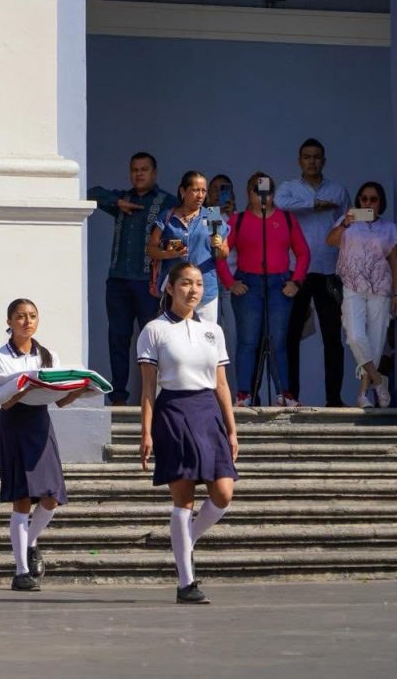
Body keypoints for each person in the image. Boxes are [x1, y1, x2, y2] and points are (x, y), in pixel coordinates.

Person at [137, 262, 238, 605]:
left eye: (198, 284)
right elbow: (148, 388)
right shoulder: (154, 330)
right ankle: (186, 582)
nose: (193, 290)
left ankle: (185, 541)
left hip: (208, 412)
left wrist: (232, 429)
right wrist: (146, 431)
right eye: (185, 283)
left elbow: (221, 384)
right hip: (173, 412)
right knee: (184, 499)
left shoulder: (213, 330)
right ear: (170, 287)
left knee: (223, 493)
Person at [0, 299, 84, 592]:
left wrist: (79, 390)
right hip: (14, 424)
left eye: (32, 316)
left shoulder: (48, 355)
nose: (27, 321)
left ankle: (29, 542)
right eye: (20, 316)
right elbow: (3, 401)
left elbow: (59, 400)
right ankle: (21, 571)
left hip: (40, 425)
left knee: (51, 497)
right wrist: (23, 387)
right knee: (21, 499)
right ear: (9, 322)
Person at [88, 152, 178, 405]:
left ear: (154, 173)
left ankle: (156, 395)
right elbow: (90, 192)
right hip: (118, 280)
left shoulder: (166, 202)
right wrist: (117, 202)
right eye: (134, 169)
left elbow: (183, 227)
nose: (138, 174)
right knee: (118, 338)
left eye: (144, 169)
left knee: (152, 339)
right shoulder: (123, 198)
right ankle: (118, 396)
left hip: (148, 282)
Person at [217, 172, 311, 407]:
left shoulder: (286, 219)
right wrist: (230, 282)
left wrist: (296, 281)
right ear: (248, 193)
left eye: (267, 191)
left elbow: (303, 253)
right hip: (248, 285)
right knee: (247, 342)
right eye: (257, 191)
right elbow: (219, 253)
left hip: (280, 285)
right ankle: (244, 394)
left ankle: (284, 393)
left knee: (278, 342)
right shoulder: (237, 220)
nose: (263, 196)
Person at [275, 138, 351, 406]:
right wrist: (315, 203)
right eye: (307, 157)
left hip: (329, 271)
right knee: (291, 336)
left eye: (316, 157)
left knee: (332, 337)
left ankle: (334, 399)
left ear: (324, 160)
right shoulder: (288, 188)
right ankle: (292, 397)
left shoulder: (338, 190)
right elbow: (279, 204)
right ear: (299, 161)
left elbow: (348, 224)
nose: (312, 161)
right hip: (297, 272)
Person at [326, 182, 397, 408]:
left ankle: (363, 395)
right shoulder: (347, 222)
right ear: (358, 200)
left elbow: (394, 261)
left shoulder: (389, 228)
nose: (368, 203)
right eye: (364, 199)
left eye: (373, 199)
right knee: (355, 337)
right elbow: (330, 241)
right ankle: (379, 381)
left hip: (381, 289)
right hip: (352, 286)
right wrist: (345, 224)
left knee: (375, 343)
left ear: (381, 202)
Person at [147, 171, 229, 322]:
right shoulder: (168, 216)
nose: (200, 195)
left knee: (204, 334)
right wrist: (168, 254)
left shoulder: (212, 215)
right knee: (175, 333)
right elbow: (151, 249)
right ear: (183, 191)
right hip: (175, 292)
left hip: (205, 292)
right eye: (195, 190)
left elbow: (224, 253)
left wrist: (219, 246)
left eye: (203, 191)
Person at [207, 174, 239, 396]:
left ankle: (235, 393)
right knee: (211, 337)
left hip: (233, 283)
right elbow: (215, 249)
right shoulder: (208, 215)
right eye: (215, 189)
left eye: (224, 189)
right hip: (212, 282)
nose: (219, 193)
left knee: (233, 339)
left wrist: (232, 215)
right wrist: (215, 211)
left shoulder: (238, 217)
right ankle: (212, 392)